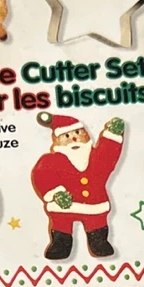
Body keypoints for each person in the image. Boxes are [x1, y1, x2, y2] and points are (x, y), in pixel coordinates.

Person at [31, 111, 125, 260]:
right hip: (63, 207)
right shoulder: (50, 161)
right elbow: (41, 176)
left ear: (86, 135)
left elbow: (108, 154)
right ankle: (60, 245)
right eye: (67, 136)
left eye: (78, 133)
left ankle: (98, 242)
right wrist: (55, 193)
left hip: (95, 204)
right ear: (57, 140)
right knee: (61, 224)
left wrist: (112, 135)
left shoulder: (96, 157)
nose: (74, 138)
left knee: (97, 224)